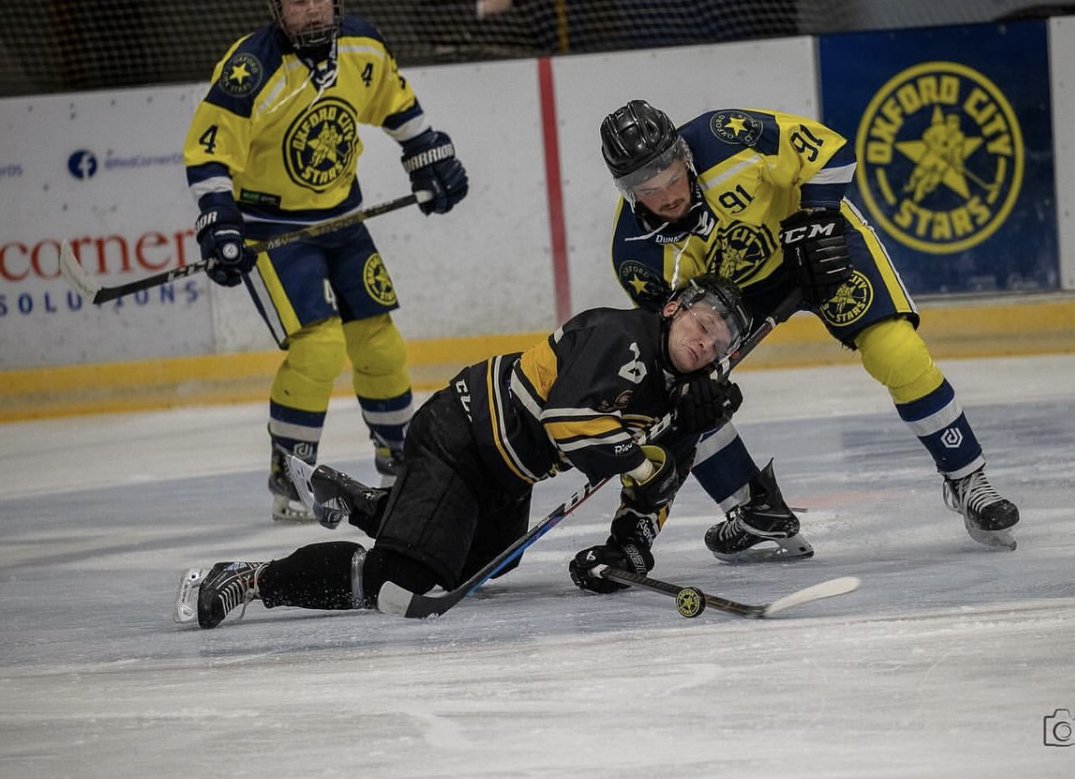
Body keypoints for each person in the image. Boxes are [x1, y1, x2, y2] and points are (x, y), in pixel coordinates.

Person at [175, 276, 750, 629]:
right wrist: (651, 458)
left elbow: (653, 488)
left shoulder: (681, 396)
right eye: (701, 322)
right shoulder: (623, 336)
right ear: (674, 309)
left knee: (490, 562)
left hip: (506, 473)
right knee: (402, 581)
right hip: (462, 436)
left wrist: (629, 549)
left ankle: (368, 505)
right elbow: (569, 426)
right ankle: (249, 579)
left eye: (718, 343)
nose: (705, 342)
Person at [599, 100, 1020, 560]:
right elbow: (672, 343)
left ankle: (968, 479)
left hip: (815, 246)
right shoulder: (636, 256)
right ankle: (752, 509)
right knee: (687, 398)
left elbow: (830, 151)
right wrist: (691, 383)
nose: (668, 192)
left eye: (671, 172)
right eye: (648, 186)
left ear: (685, 153)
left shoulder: (726, 136)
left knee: (895, 350)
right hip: (732, 297)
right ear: (627, 191)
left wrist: (818, 219)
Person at [183, 0, 468, 522]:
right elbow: (208, 151)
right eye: (297, 2)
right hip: (271, 231)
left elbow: (395, 104)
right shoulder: (252, 67)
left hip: (342, 221)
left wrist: (428, 157)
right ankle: (292, 474)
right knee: (318, 347)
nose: (311, 11)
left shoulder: (362, 45)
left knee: (379, 343)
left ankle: (400, 462)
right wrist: (219, 216)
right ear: (276, 8)